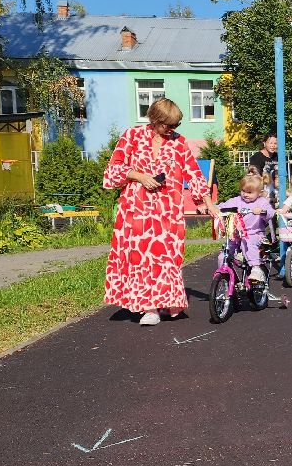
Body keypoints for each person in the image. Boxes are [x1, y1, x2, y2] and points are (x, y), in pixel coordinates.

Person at [102, 98, 221, 325]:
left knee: (167, 257)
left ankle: (163, 301)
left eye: (176, 125)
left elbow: (194, 173)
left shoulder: (179, 143)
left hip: (167, 210)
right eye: (169, 125)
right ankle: (150, 307)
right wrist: (140, 176)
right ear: (155, 120)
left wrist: (208, 202)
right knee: (140, 257)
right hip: (136, 208)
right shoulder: (132, 136)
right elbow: (114, 168)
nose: (173, 130)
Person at [220, 172, 276, 282]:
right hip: (237, 235)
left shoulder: (261, 202)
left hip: (255, 234)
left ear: (259, 193)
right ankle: (225, 274)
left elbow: (271, 212)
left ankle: (256, 269)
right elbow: (223, 206)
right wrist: (211, 208)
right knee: (224, 253)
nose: (245, 194)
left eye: (249, 192)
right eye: (243, 191)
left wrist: (262, 211)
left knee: (249, 244)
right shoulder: (236, 201)